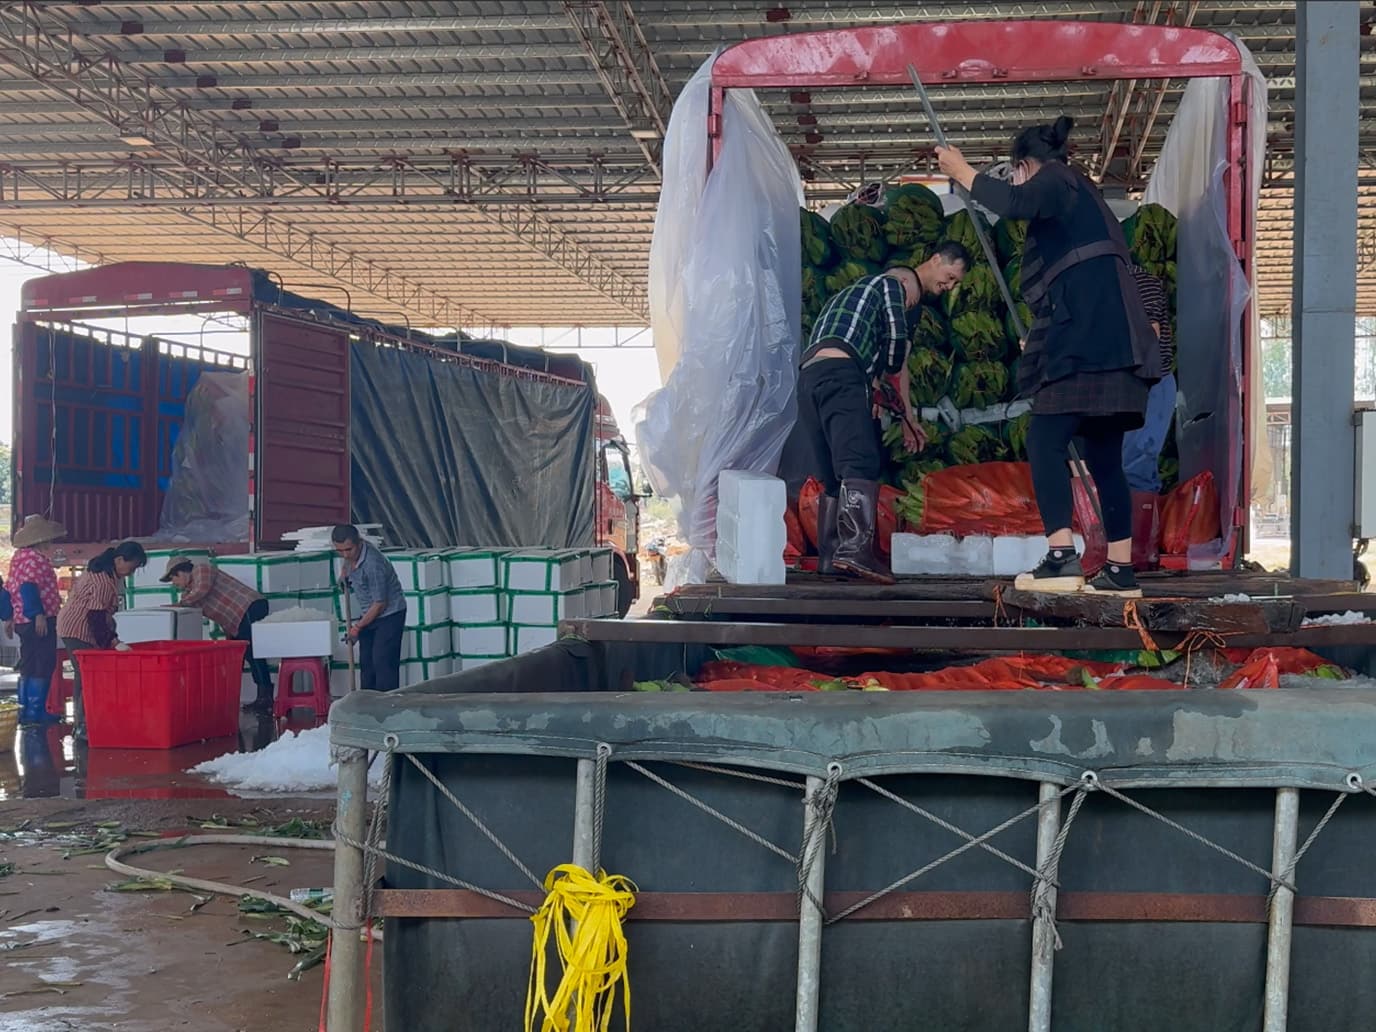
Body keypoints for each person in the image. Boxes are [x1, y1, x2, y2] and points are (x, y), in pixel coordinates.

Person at [937, 116, 1160, 597]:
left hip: (1088, 344)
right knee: (1105, 459)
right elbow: (1075, 281)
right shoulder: (1085, 200)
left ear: (1023, 167)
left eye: (1015, 175)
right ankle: (1120, 571)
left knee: (1044, 440)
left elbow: (1016, 203)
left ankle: (1062, 558)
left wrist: (963, 171)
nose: (1018, 184)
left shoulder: (1057, 178)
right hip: (1111, 343)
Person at [796, 244, 971, 583]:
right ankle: (856, 551)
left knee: (834, 474)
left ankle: (831, 558)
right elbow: (895, 353)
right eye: (949, 277)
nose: (949, 287)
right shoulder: (893, 285)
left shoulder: (846, 301)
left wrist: (903, 415)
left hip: (809, 378)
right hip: (842, 373)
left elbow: (888, 367)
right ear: (934, 261)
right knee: (860, 462)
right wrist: (883, 379)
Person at [162, 556, 276, 714]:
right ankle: (250, 697)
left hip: (249, 606)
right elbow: (214, 613)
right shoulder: (190, 595)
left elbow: (202, 589)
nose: (175, 585)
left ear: (181, 572)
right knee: (244, 655)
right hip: (237, 620)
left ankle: (266, 696)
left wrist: (178, 604)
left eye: (174, 579)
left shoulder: (201, 569)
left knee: (253, 652)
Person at [58, 541, 148, 740]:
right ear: (118, 560)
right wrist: (114, 642)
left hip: (79, 628)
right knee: (87, 676)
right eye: (131, 567)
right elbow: (96, 619)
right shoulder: (102, 581)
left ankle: (85, 723)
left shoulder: (108, 575)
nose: (131, 572)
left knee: (85, 676)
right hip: (78, 630)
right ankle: (83, 726)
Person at [331, 524, 406, 693]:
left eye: (348, 550)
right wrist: (344, 577)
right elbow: (347, 568)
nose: (345, 554)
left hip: (389, 614)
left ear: (359, 542)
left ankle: (386, 707)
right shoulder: (350, 556)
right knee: (367, 663)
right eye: (340, 551)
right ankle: (367, 706)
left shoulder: (374, 563)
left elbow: (380, 604)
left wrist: (357, 628)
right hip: (369, 613)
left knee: (383, 662)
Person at [1120, 264, 1175, 493]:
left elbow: (1148, 334)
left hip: (1148, 385)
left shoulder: (1137, 281)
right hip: (1123, 386)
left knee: (1134, 466)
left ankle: (1139, 527)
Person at [9, 515, 67, 726]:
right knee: (43, 662)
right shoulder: (35, 560)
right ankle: (36, 712)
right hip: (37, 619)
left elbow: (12, 589)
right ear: (42, 540)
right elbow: (28, 587)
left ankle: (25, 711)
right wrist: (38, 615)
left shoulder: (19, 558)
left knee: (29, 664)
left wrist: (9, 617)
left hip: (22, 620)